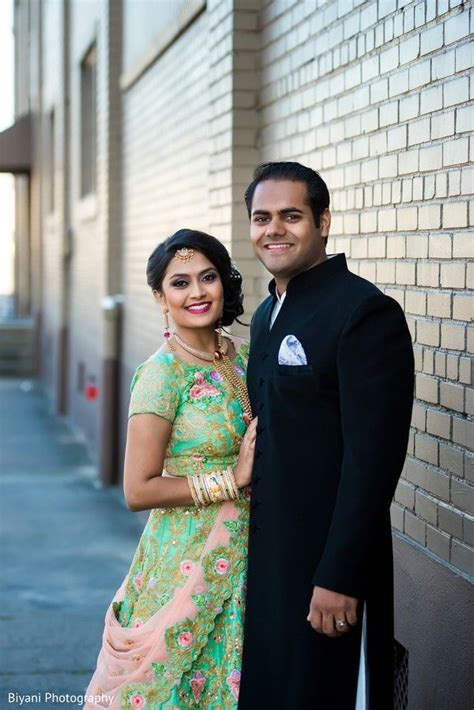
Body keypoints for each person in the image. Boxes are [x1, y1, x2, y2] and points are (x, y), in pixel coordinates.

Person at [238, 162, 414, 710]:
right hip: (269, 566)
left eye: (292, 216)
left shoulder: (364, 313)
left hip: (327, 572)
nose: (275, 229)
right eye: (262, 217)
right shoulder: (267, 314)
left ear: (324, 222)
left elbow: (373, 461)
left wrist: (340, 574)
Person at [84, 229, 257, 709]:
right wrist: (232, 478)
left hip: (252, 552)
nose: (198, 292)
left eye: (208, 277)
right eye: (180, 283)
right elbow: (137, 489)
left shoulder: (243, 354)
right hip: (186, 557)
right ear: (161, 297)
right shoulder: (162, 375)